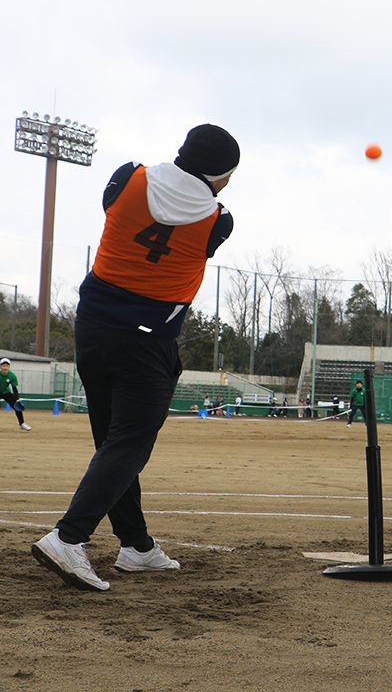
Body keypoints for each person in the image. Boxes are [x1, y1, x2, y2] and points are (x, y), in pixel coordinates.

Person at [31, 124, 239, 593]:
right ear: (221, 175)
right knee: (128, 445)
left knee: (114, 443)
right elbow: (192, 225)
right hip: (146, 342)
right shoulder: (218, 221)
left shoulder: (128, 177)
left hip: (93, 327)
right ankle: (69, 538)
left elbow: (125, 207)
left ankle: (136, 547)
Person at [0, 358, 31, 431]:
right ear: (0, 367)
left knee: (17, 406)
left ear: (9, 367)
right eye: (3, 365)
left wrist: (17, 398)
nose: (5, 367)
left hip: (6, 392)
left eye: (7, 366)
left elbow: (14, 388)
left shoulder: (12, 376)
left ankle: (22, 424)